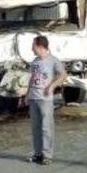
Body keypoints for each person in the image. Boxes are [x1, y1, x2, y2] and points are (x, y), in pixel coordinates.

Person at [27, 35, 67, 165]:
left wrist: (52, 86)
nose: (31, 48)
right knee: (36, 128)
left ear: (40, 46)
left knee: (46, 127)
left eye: (33, 45)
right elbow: (31, 78)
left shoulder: (53, 60)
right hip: (33, 98)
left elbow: (63, 75)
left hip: (45, 99)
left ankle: (47, 155)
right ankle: (37, 154)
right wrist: (27, 94)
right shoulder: (34, 61)